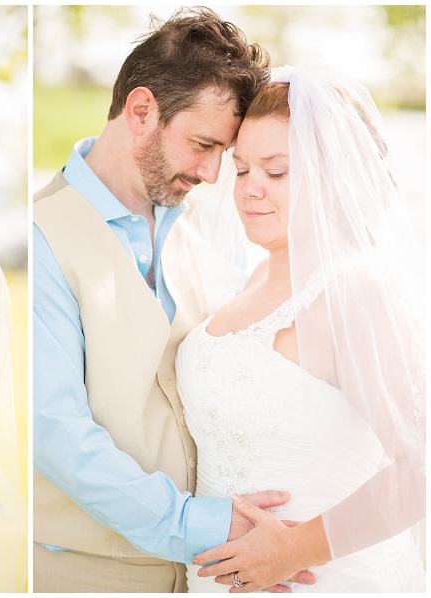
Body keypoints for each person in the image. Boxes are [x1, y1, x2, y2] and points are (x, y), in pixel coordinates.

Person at [33, 7, 315, 592]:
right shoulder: (43, 235)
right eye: (202, 145)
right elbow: (56, 432)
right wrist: (201, 524)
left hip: (215, 572)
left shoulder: (209, 220)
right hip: (87, 572)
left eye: (226, 155)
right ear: (141, 111)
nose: (215, 175)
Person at [179, 64, 425, 592]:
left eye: (277, 171)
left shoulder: (357, 294)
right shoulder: (249, 283)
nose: (251, 190)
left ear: (333, 174)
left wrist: (294, 550)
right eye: (243, 171)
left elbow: (420, 470)